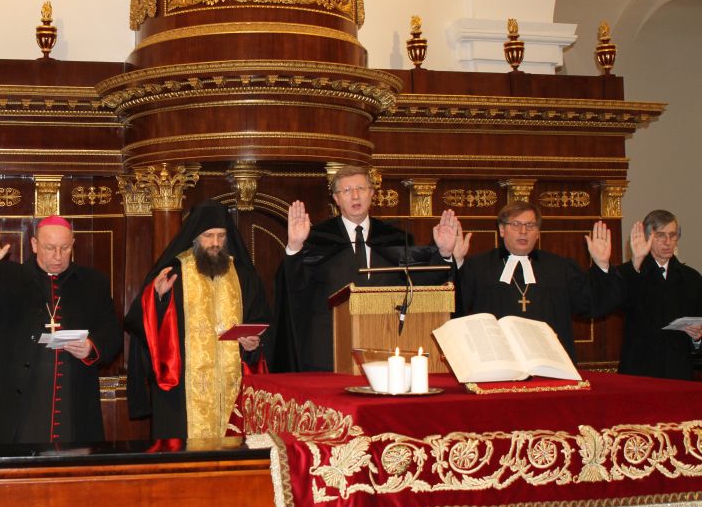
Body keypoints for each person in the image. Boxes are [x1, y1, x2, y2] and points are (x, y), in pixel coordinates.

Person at [275, 165, 461, 371]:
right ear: (336, 199)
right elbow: (295, 287)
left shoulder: (396, 238)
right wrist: (295, 247)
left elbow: (420, 287)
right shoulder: (317, 238)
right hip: (329, 350)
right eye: (347, 190)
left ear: (372, 193)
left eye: (361, 189)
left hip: (386, 344)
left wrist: (444, 253)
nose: (355, 196)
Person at [0, 216, 122, 444]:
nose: (58, 256)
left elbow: (112, 332)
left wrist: (91, 348)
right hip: (16, 403)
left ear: (73, 244)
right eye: (50, 248)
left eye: (65, 248)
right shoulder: (8, 276)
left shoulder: (93, 283)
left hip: (72, 401)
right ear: (34, 245)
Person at [125, 200, 270, 440]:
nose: (215, 243)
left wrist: (253, 344)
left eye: (221, 236)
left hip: (233, 387)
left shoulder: (243, 276)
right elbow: (139, 324)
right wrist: (158, 298)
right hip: (182, 393)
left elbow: (262, 323)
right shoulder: (173, 274)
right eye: (208, 236)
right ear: (195, 237)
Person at [453, 200, 623, 360]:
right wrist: (456, 263)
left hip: (550, 361)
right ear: (502, 230)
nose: (523, 231)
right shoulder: (478, 266)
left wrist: (602, 265)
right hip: (498, 361)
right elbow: (455, 306)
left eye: (530, 225)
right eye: (516, 224)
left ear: (538, 233)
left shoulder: (560, 267)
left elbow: (591, 305)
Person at [617, 210, 702, 380]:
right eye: (661, 235)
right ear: (647, 237)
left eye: (673, 235)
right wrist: (636, 262)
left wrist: (697, 338)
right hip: (640, 370)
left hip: (679, 371)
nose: (668, 242)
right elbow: (617, 302)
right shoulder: (630, 272)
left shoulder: (691, 277)